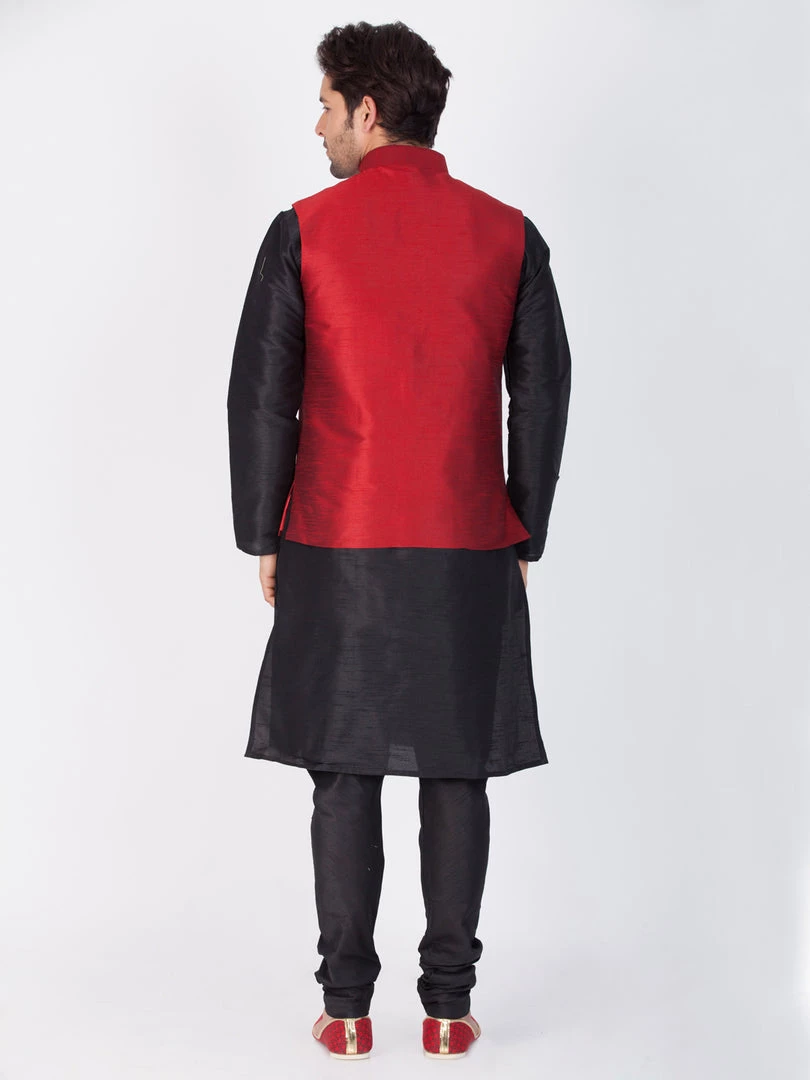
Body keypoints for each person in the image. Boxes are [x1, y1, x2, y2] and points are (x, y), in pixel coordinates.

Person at [226, 19, 572, 1061]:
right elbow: (543, 393)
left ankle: (346, 1012)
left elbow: (263, 397)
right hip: (467, 538)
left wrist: (262, 533)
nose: (318, 125)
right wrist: (523, 525)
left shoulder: (303, 231)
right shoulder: (509, 233)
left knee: (345, 769)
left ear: (368, 111)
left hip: (339, 535)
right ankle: (449, 1011)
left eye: (327, 105)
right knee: (455, 768)